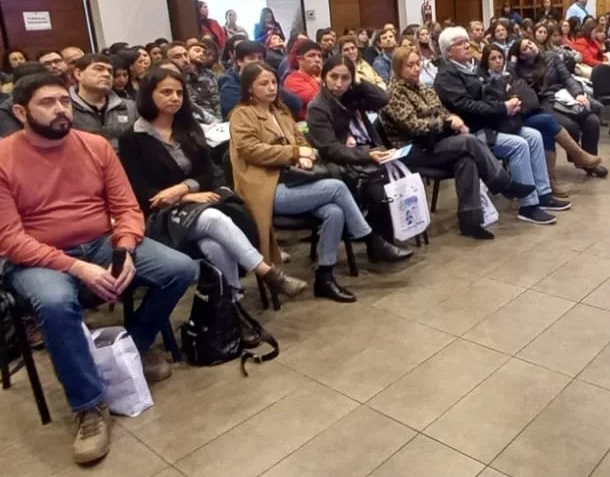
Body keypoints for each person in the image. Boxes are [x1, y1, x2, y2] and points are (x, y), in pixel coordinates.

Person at [0, 72, 199, 465]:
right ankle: (89, 405)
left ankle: (132, 348)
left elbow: (127, 209)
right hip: (36, 255)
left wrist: (125, 248)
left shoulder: (94, 146)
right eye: (48, 103)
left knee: (179, 268)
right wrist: (75, 267)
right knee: (57, 302)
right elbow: (8, 240)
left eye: (64, 100)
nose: (61, 109)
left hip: (100, 241)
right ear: (19, 111)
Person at [118, 66, 307, 302]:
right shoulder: (132, 138)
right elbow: (141, 191)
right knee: (213, 220)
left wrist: (185, 187)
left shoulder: (187, 128)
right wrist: (186, 196)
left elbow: (209, 172)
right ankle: (267, 273)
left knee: (213, 246)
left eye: (179, 92)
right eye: (166, 92)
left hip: (198, 204)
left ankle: (232, 304)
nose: (175, 98)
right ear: (148, 95)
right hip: (161, 215)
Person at [228, 62, 387, 301]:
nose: (271, 87)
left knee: (334, 212)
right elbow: (251, 150)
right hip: (265, 188)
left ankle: (325, 276)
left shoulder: (280, 111)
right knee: (336, 186)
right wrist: (294, 153)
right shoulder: (242, 115)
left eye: (273, 82)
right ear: (249, 88)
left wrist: (306, 154)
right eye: (264, 83)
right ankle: (369, 237)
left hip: (293, 180)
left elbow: (301, 141)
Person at [380, 45, 524, 240]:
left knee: (466, 159)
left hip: (434, 142)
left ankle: (470, 222)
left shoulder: (423, 87)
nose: (416, 68)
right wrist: (447, 122)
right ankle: (503, 183)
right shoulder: (393, 94)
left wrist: (456, 121)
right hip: (411, 150)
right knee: (470, 143)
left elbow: (442, 111)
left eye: (417, 63)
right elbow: (414, 126)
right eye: (409, 65)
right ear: (398, 68)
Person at [434, 27, 562, 225]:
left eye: (466, 41)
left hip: (492, 123)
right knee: (519, 145)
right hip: (471, 132)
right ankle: (529, 206)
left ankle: (543, 194)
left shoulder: (471, 68)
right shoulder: (446, 77)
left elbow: (490, 93)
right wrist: (503, 107)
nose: (467, 45)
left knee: (534, 136)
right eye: (459, 43)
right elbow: (466, 107)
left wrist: (512, 100)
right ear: (448, 51)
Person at [305, 54, 418, 258]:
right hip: (341, 163)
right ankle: (379, 246)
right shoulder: (318, 107)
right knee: (378, 189)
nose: (339, 83)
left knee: (401, 175)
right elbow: (331, 149)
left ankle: (390, 237)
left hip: (369, 150)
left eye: (345, 78)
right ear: (324, 76)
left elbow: (383, 99)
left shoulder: (352, 94)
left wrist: (359, 82)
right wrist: (368, 154)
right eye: (333, 76)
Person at [480, 43, 578, 198]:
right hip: (500, 126)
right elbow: (491, 106)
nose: (498, 61)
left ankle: (546, 188)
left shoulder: (509, 76)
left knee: (544, 129)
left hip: (519, 116)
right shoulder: (483, 81)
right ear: (486, 62)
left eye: (500, 57)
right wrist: (509, 99)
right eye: (493, 59)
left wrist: (515, 99)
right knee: (546, 122)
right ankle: (575, 157)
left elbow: (531, 99)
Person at [518, 37, 607, 177]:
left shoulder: (551, 57)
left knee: (592, 120)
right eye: (525, 48)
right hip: (543, 102)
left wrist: (578, 94)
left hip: (563, 95)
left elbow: (567, 78)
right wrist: (512, 61)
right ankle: (577, 156)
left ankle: (590, 164)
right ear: (521, 55)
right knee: (570, 126)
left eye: (529, 43)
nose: (530, 47)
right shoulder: (520, 69)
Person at [69, 53, 136, 144]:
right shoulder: (67, 108)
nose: (106, 74)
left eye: (110, 71)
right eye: (99, 69)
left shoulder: (130, 107)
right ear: (78, 74)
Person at [281, 38, 327, 108]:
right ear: (299, 59)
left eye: (319, 56)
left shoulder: (322, 77)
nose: (317, 60)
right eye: (311, 55)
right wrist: (322, 84)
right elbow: (320, 102)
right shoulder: (293, 80)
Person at [182, 40, 223, 116]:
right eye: (197, 51)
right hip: (192, 117)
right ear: (186, 54)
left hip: (212, 116)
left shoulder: (210, 75)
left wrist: (218, 120)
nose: (201, 54)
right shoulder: (182, 75)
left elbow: (216, 100)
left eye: (204, 53)